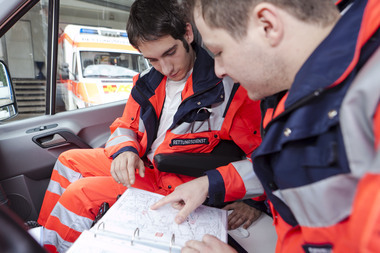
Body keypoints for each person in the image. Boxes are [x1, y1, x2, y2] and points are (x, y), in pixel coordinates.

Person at [151, 0, 380, 252]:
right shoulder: (284, 91)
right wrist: (209, 184)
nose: (218, 71)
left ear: (268, 25)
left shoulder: (368, 93)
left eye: (219, 52)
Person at [35, 0, 264, 252]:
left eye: (170, 53)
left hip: (177, 181)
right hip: (144, 164)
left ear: (187, 33)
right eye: (152, 59)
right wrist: (126, 151)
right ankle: (43, 236)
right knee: (68, 161)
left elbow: (264, 159)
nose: (166, 68)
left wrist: (255, 203)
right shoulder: (146, 82)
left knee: (81, 194)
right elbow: (125, 125)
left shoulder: (227, 91)